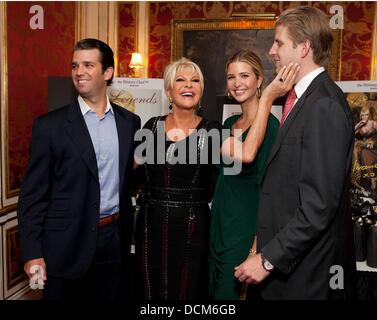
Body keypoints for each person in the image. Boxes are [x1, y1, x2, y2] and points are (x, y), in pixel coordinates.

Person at [134, 57, 297, 300]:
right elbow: (125, 169)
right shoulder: (152, 126)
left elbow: (249, 156)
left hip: (194, 229)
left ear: (202, 90)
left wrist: (267, 99)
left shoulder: (213, 131)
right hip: (152, 228)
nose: (189, 85)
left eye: (195, 80)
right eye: (180, 79)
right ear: (168, 89)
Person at [234, 6, 356, 300]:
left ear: (303, 48)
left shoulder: (323, 104)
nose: (272, 51)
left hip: (308, 275)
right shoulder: (304, 99)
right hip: (294, 266)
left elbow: (319, 206)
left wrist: (267, 259)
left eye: (279, 42)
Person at [17, 38, 141, 300]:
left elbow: (127, 176)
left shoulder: (129, 122)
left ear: (107, 73)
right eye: (74, 66)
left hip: (113, 240)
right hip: (64, 245)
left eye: (88, 65)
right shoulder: (50, 126)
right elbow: (33, 196)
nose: (79, 72)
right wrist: (32, 253)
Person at [209, 51, 280, 299]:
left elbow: (271, 190)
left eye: (244, 75)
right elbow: (224, 176)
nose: (236, 83)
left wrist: (257, 245)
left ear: (259, 80)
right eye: (231, 77)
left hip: (244, 232)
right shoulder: (229, 124)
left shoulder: (271, 127)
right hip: (219, 227)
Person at [354, 105, 377, 193]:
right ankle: (372, 179)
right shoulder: (360, 125)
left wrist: (374, 142)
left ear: (369, 115)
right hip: (366, 146)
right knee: (364, 152)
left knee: (365, 153)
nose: (364, 117)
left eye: (366, 115)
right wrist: (358, 125)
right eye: (362, 115)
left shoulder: (373, 123)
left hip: (375, 144)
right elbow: (350, 133)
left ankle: (373, 179)